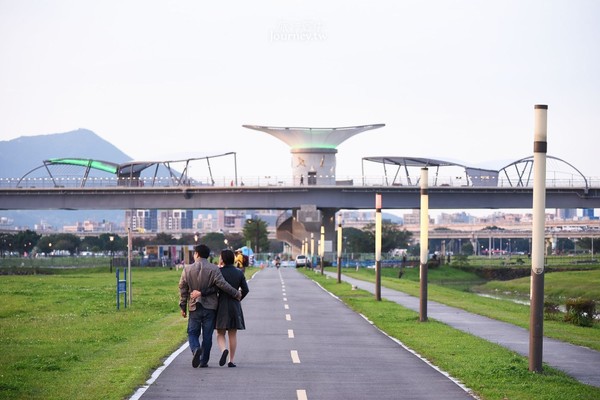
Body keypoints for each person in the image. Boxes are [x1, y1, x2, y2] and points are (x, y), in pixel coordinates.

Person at [179, 244, 242, 368]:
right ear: (208, 255)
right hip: (210, 307)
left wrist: (182, 306)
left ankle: (196, 349)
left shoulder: (187, 269)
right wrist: (236, 293)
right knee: (207, 335)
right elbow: (222, 284)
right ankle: (203, 361)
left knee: (192, 332)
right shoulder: (214, 269)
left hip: (194, 305)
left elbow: (182, 288)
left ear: (196, 254)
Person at [215, 249, 249, 368]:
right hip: (235, 305)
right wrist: (239, 298)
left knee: (220, 333)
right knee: (232, 334)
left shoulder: (218, 272)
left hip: (221, 305)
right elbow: (246, 289)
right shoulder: (239, 272)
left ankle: (224, 349)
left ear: (222, 259)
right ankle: (231, 360)